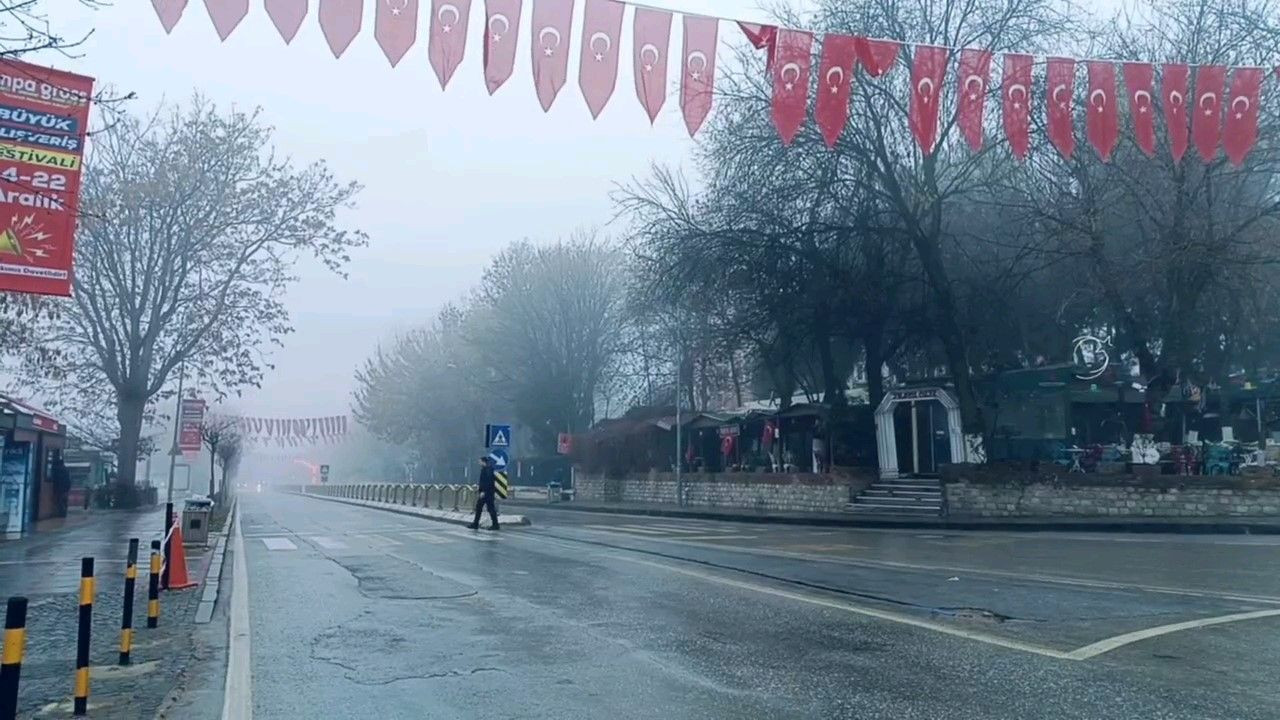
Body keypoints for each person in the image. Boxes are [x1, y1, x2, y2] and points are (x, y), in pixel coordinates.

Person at [468, 455, 500, 530]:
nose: (479, 463)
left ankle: (495, 525)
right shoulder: (485, 469)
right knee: (480, 507)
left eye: (480, 461)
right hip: (486, 492)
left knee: (489, 508)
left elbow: (488, 482)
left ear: (483, 461)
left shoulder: (488, 469)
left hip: (487, 493)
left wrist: (483, 491)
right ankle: (476, 523)